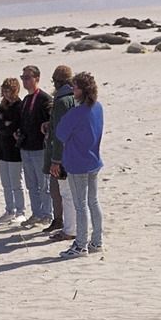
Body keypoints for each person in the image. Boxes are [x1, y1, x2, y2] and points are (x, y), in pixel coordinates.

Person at [55, 71, 103, 258]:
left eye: (75, 87)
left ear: (82, 90)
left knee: (81, 204)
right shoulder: (97, 107)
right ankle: (97, 241)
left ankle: (81, 245)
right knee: (93, 201)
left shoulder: (77, 112)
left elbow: (60, 133)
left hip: (78, 162)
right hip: (93, 160)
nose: (72, 90)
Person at [44, 64, 77, 242]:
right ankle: (73, 227)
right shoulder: (76, 97)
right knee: (76, 193)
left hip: (64, 154)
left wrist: (56, 159)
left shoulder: (63, 100)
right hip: (76, 151)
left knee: (67, 193)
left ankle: (70, 230)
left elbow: (60, 133)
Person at [17, 65, 52, 228]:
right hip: (26, 147)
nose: (25, 81)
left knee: (44, 184)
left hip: (40, 148)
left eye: (28, 77)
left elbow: (52, 122)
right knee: (31, 184)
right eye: (23, 77)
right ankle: (37, 213)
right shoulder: (25, 100)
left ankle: (47, 214)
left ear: (37, 78)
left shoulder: (44, 98)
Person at [0, 77, 26, 223]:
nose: (7, 93)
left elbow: (14, 126)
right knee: (6, 183)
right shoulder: (3, 105)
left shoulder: (19, 105)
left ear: (16, 90)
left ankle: (20, 211)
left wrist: (4, 124)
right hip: (2, 147)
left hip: (14, 149)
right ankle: (9, 210)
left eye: (9, 90)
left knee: (16, 182)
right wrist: (4, 123)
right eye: (4, 90)